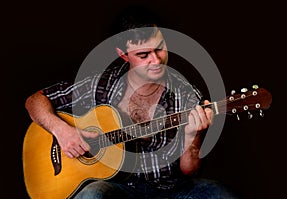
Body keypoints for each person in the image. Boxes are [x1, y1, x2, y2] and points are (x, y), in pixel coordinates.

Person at [25, 6, 239, 199]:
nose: (156, 61)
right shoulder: (100, 85)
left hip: (170, 192)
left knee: (220, 194)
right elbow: (35, 101)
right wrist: (62, 131)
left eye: (160, 48)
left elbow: (190, 171)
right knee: (93, 195)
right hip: (118, 190)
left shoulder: (187, 95)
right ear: (124, 55)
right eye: (144, 55)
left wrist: (193, 136)